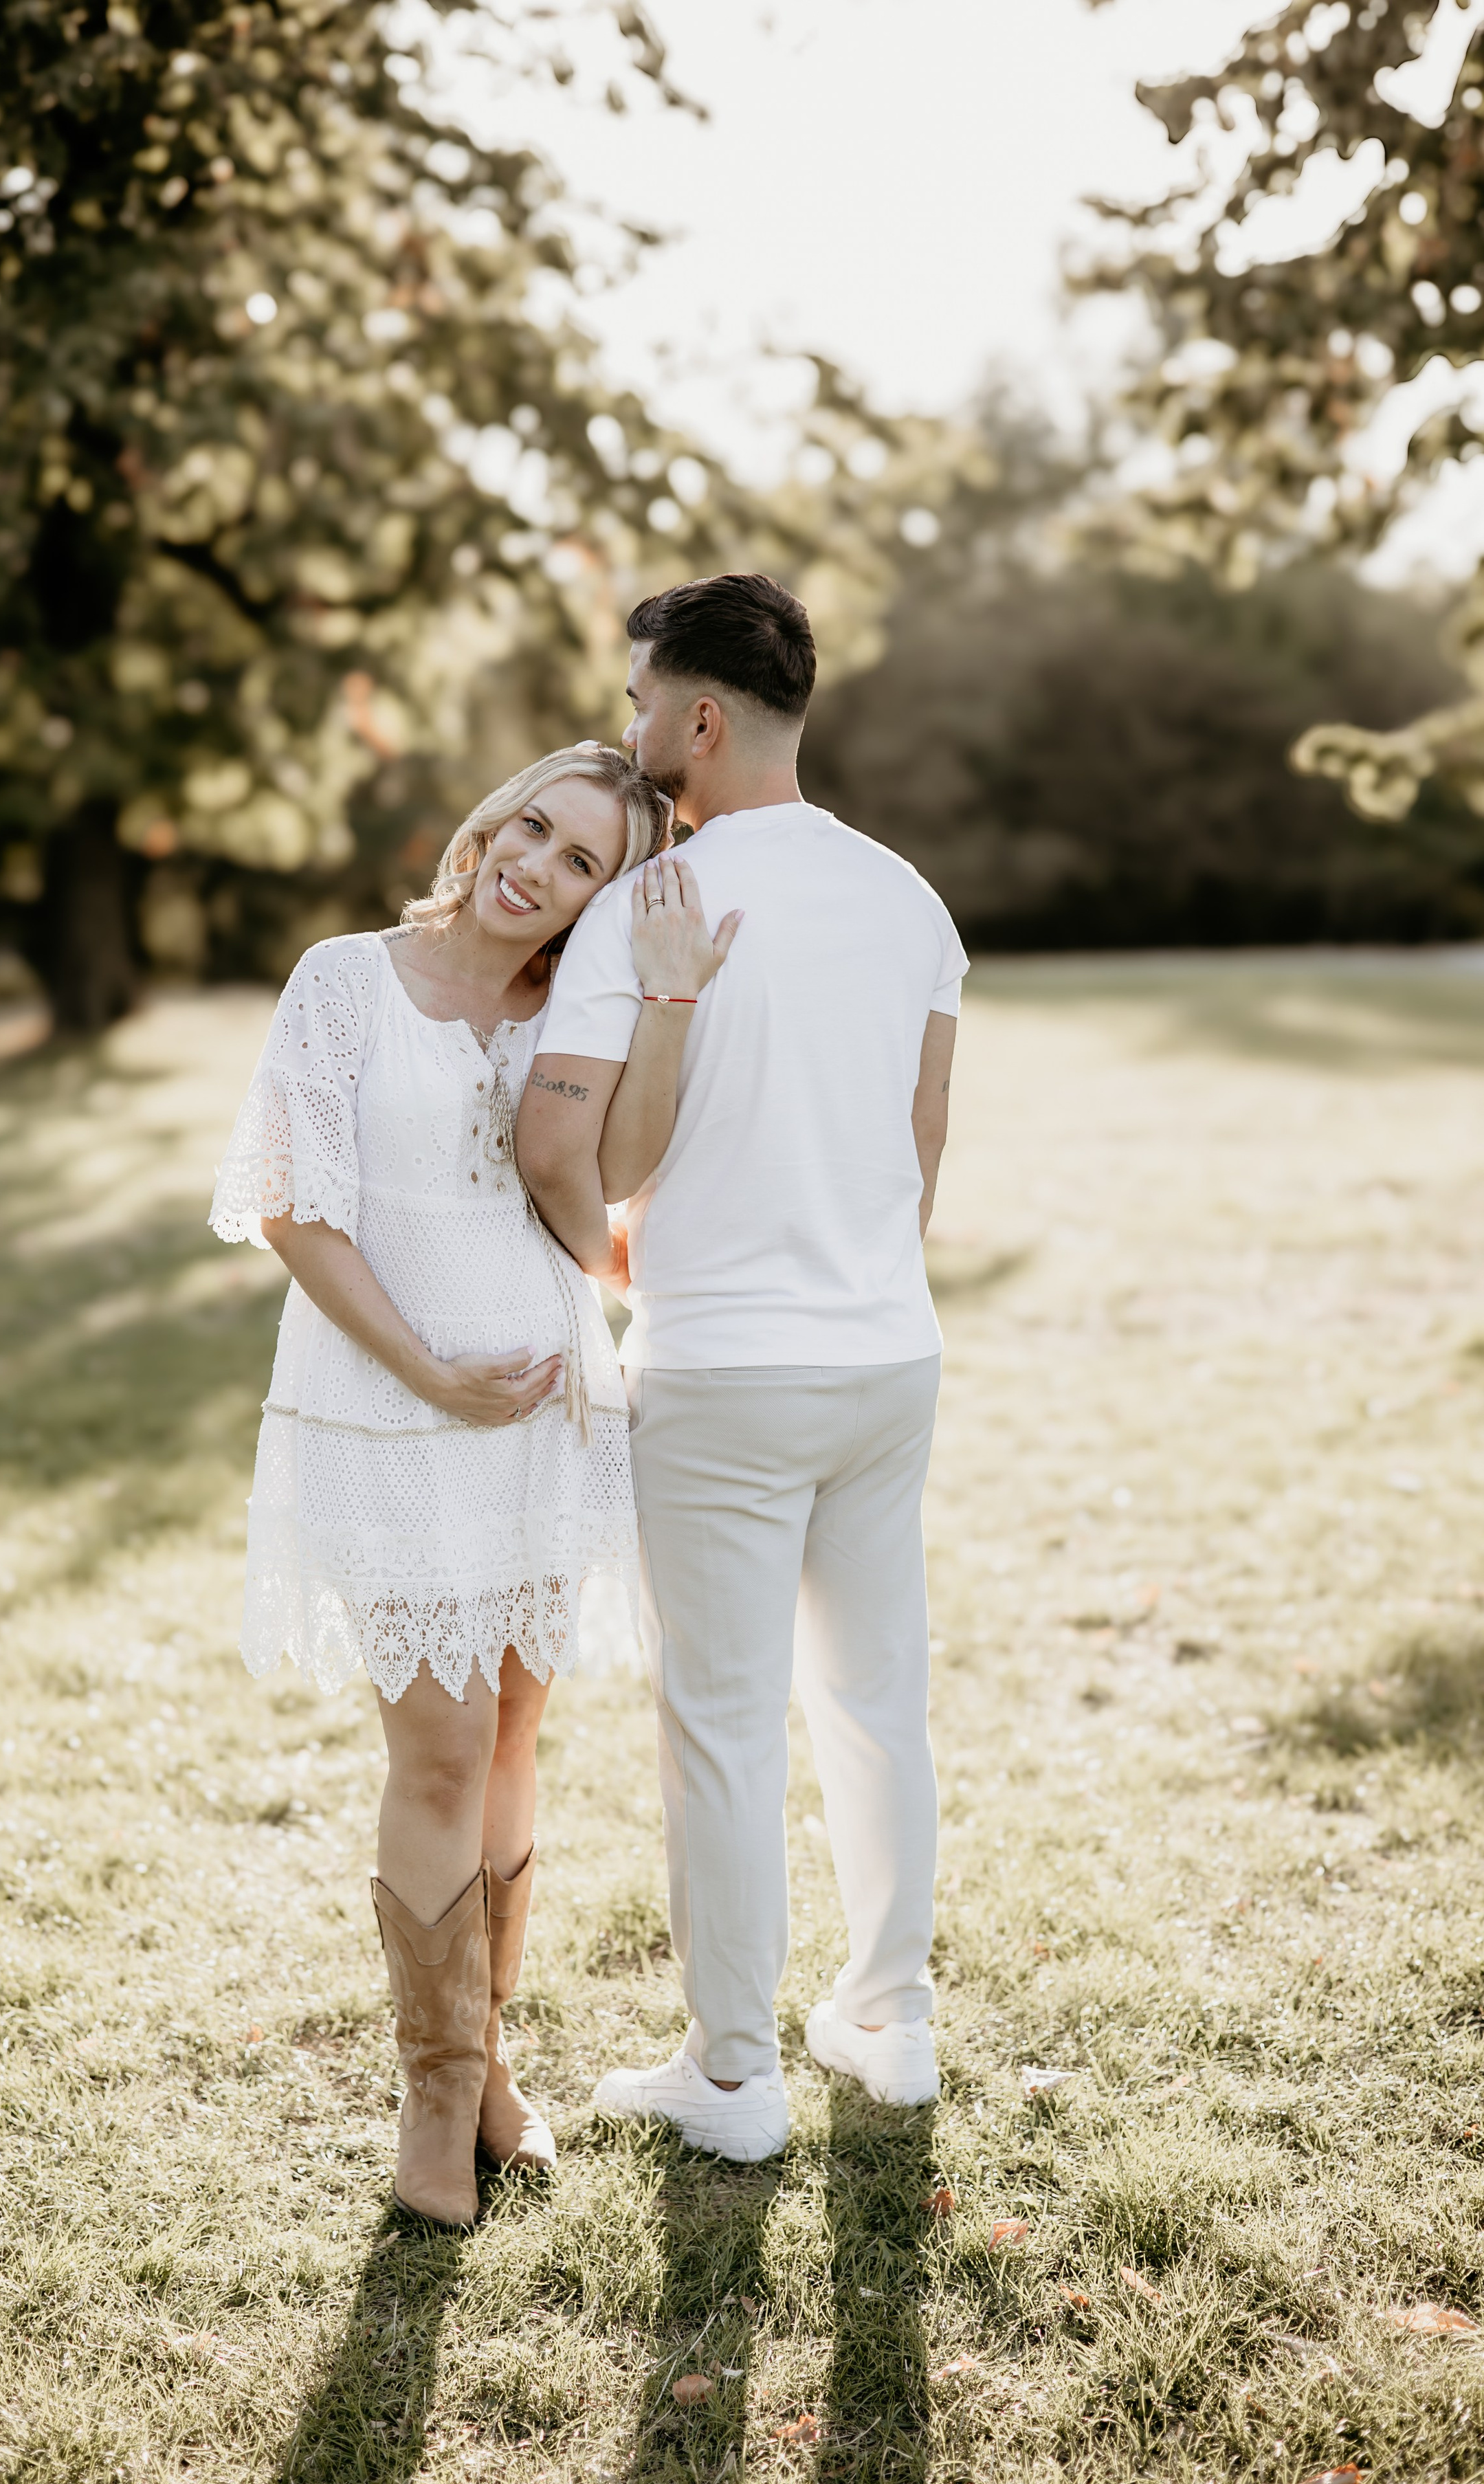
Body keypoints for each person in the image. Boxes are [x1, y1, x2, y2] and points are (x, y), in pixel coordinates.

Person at [208, 744, 733, 2228]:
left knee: (507, 1738)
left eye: (581, 864)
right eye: (533, 828)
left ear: (601, 900)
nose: (535, 868)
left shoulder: (574, 1010)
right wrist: (429, 1371)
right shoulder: (343, 981)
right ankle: (436, 2095)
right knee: (436, 1754)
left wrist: (668, 1000)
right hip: (386, 1415)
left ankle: (489, 2061)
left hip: (547, 1423)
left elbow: (604, 1195)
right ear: (492, 821)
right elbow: (292, 1208)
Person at [516, 573, 966, 2164]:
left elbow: (563, 1147)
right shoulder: (907, 900)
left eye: (641, 698)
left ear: (699, 716)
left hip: (719, 1368)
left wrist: (604, 1260)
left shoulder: (651, 907)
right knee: (875, 1697)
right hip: (884, 1355)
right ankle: (889, 2023)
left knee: (717, 1721)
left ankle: (731, 2075)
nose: (630, 725)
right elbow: (919, 1151)